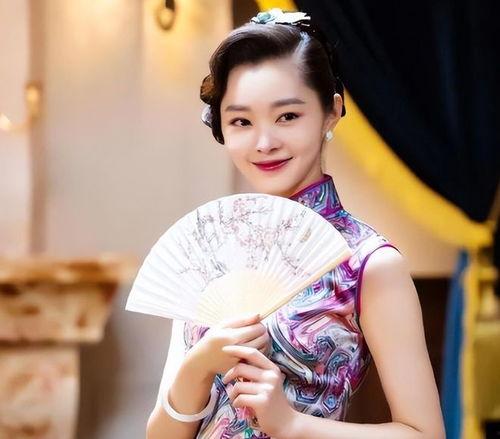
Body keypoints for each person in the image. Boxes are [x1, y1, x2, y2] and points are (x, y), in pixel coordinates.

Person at [146, 8, 445, 439]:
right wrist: (198, 366)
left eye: (287, 116)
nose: (265, 142)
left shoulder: (367, 263)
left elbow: (424, 433)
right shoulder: (208, 251)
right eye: (241, 121)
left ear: (331, 112)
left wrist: (291, 423)